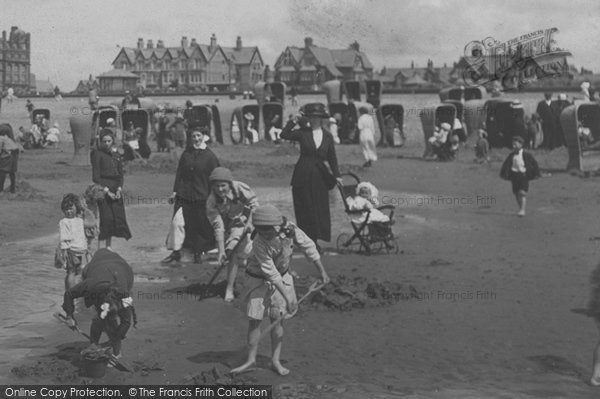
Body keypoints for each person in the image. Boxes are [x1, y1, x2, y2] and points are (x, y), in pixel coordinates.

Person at [230, 204, 330, 376]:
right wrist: (288, 297)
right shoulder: (258, 242)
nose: (265, 235)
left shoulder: (290, 230)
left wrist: (322, 272)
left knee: (277, 319)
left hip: (283, 276)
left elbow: (309, 247)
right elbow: (271, 273)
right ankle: (251, 359)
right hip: (257, 279)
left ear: (277, 226)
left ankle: (275, 360)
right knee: (255, 321)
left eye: (268, 231)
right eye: (261, 231)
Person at [280, 103, 341, 253]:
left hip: (320, 175)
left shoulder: (327, 136)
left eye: (317, 117)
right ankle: (309, 241)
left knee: (319, 208)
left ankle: (316, 239)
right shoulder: (302, 133)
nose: (314, 120)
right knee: (305, 207)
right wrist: (294, 120)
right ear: (308, 118)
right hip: (303, 174)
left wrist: (337, 175)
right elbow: (284, 134)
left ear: (322, 119)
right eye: (312, 117)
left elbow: (332, 157)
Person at [61, 248, 136, 361]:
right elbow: (69, 294)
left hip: (121, 267)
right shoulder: (90, 284)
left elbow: (126, 322)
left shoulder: (125, 296)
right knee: (100, 318)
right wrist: (69, 315)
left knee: (111, 322)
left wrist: (115, 338)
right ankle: (94, 343)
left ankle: (117, 353)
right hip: (96, 266)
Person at [206, 167, 258, 301]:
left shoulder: (240, 188)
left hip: (252, 221)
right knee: (232, 251)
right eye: (216, 186)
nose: (220, 189)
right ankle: (229, 288)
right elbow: (218, 226)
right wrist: (221, 251)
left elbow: (254, 204)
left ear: (229, 183)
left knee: (257, 254)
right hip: (233, 226)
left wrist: (250, 223)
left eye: (223, 185)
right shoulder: (212, 201)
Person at [170, 130, 220, 263]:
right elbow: (179, 174)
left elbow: (216, 177)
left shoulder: (210, 156)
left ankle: (198, 253)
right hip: (183, 195)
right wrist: (175, 192)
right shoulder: (186, 154)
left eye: (198, 136)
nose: (196, 139)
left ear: (203, 137)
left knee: (199, 225)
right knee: (177, 222)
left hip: (202, 196)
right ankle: (176, 251)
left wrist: (214, 197)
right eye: (193, 136)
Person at [91, 129, 132, 249]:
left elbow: (120, 175)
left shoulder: (116, 155)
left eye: (109, 141)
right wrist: (106, 191)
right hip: (103, 190)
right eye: (104, 141)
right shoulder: (97, 154)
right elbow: (95, 177)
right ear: (101, 142)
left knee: (116, 219)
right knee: (106, 218)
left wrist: (119, 189)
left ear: (112, 141)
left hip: (116, 190)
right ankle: (100, 247)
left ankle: (109, 247)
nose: (107, 144)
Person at [500, 136, 540, 217]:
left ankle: (523, 209)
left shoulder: (526, 155)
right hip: (514, 176)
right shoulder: (511, 155)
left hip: (523, 175)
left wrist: (536, 173)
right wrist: (503, 174)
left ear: (521, 145)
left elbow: (534, 164)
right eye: (513, 144)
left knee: (522, 192)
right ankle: (520, 207)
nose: (514, 146)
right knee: (516, 193)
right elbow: (506, 165)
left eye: (515, 144)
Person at [57, 193, 89, 290]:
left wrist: (85, 209)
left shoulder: (79, 220)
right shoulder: (64, 222)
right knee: (71, 272)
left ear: (77, 208)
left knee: (81, 271)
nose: (69, 211)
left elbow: (92, 222)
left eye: (71, 208)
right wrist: (64, 251)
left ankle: (78, 290)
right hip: (70, 250)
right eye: (66, 209)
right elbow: (64, 237)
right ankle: (71, 292)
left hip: (81, 249)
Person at [0, 124, 20, 193]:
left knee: (2, 171)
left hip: (7, 156)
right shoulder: (11, 139)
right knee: (12, 172)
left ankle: (1, 188)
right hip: (15, 155)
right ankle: (12, 189)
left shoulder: (1, 138)